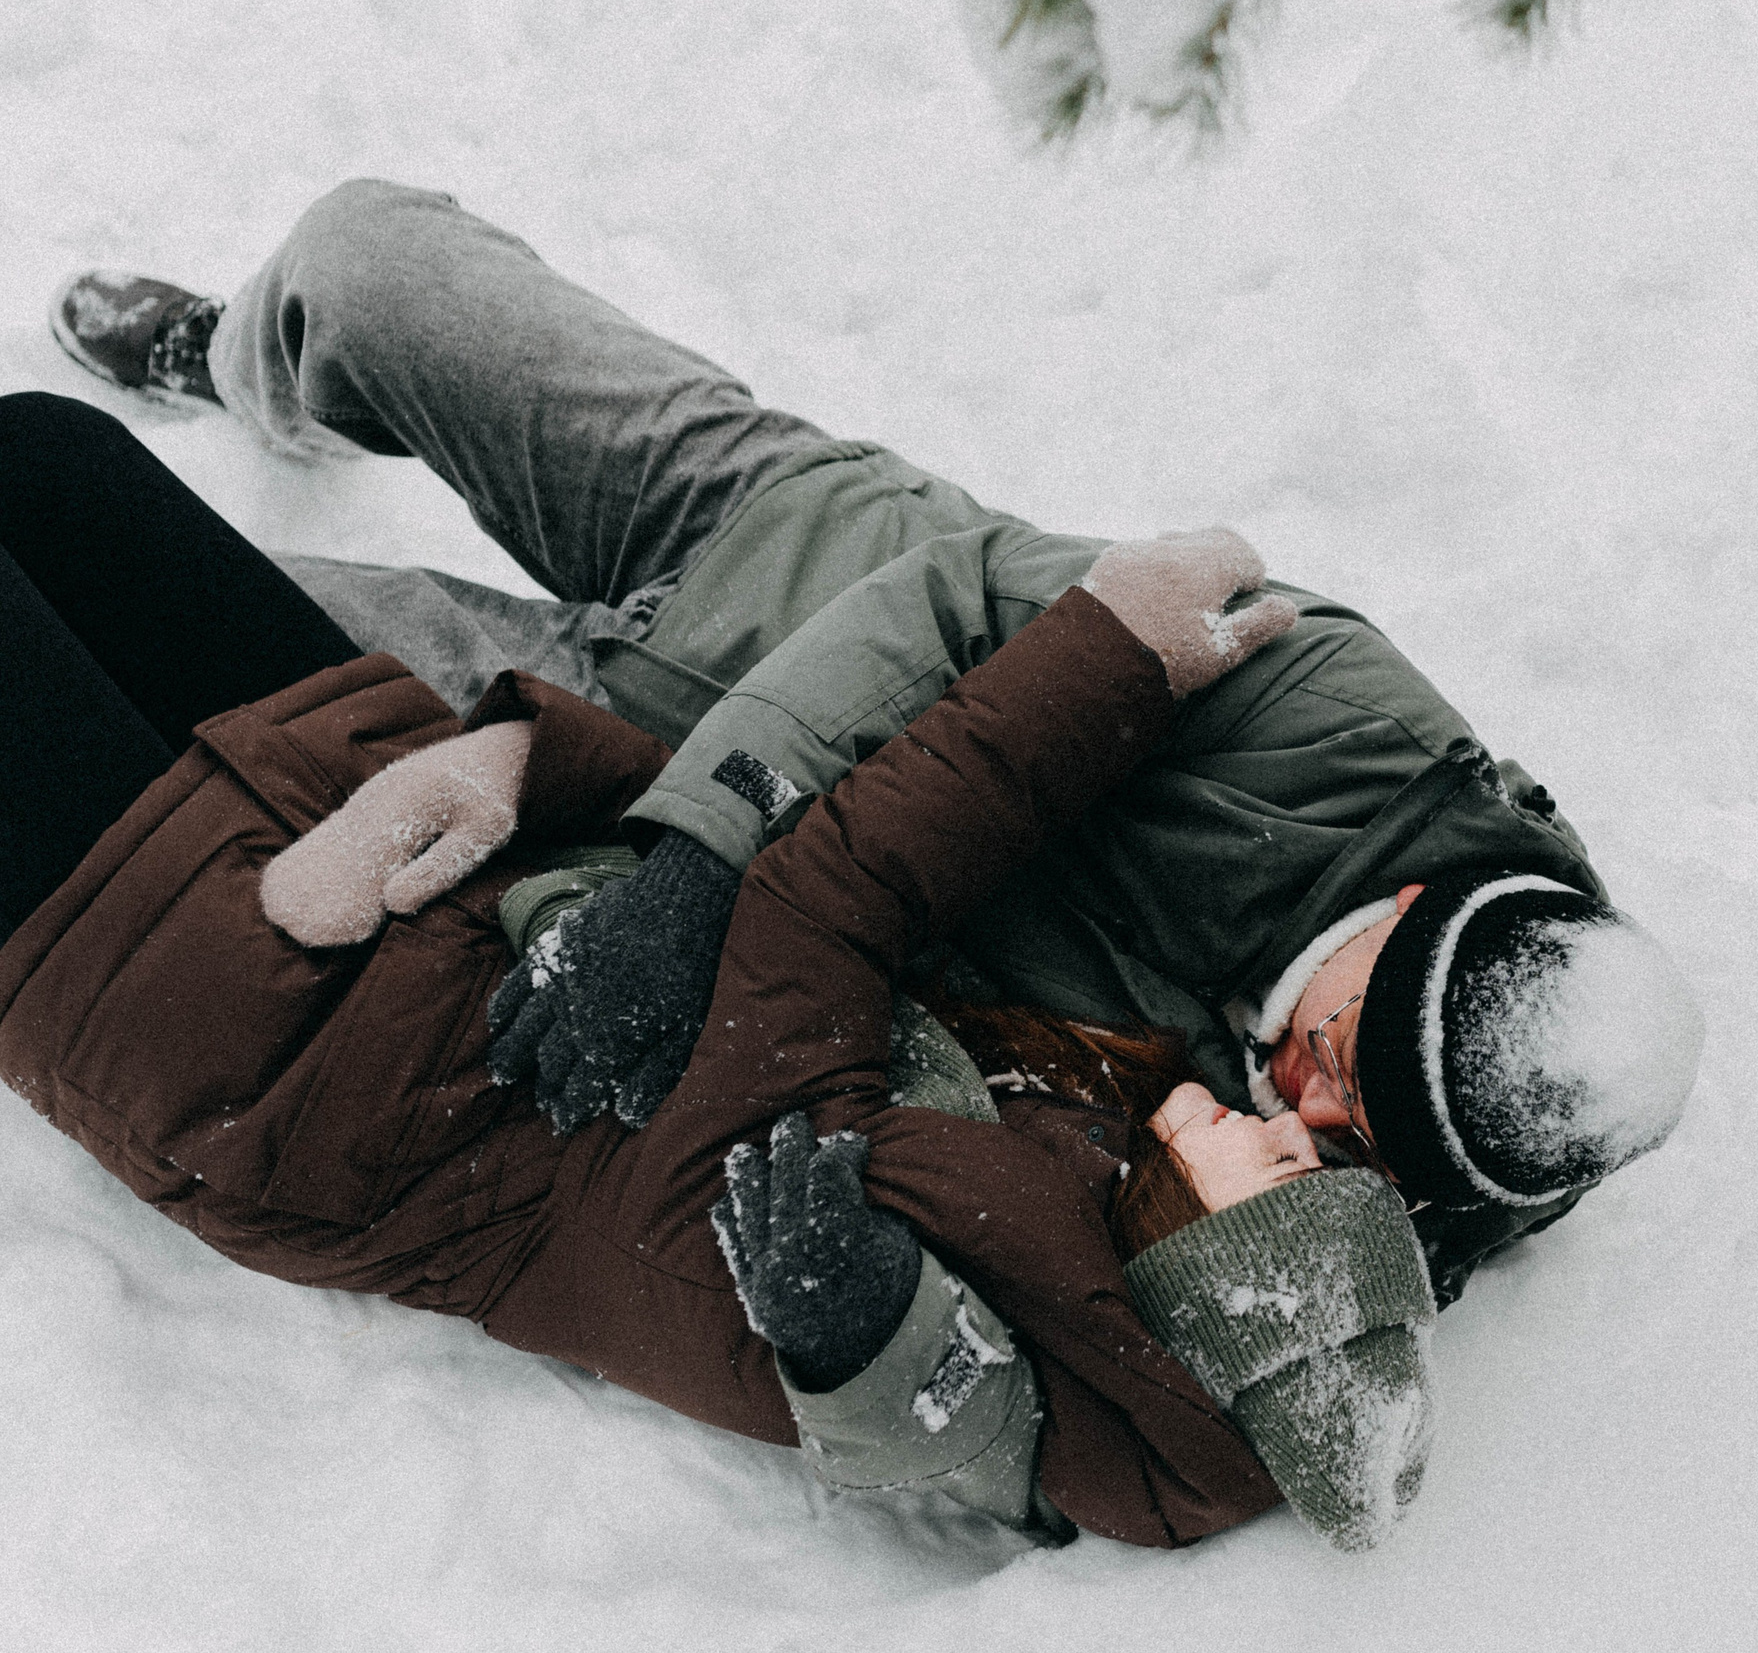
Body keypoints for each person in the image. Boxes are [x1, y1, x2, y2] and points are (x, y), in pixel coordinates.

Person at [52, 180, 1707, 1306]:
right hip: (770, 537)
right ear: (1412, 920)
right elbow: (967, 599)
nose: (1306, 1102)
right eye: (1341, 1055)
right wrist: (706, 848)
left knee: (127, 591)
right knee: (372, 260)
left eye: (1345, 1136)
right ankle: (251, 357)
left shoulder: (1419, 1157)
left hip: (600, 747)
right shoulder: (1342, 726)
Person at [0, 391, 1429, 1549]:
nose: (1285, 1125)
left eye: (1285, 1176)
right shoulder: (1092, 1140)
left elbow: (821, 910)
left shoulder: (951, 1255)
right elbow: (745, 939)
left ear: (1216, 1261)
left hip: (269, 1038)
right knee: (45, 458)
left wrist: (1108, 659)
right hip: (446, 849)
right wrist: (533, 765)